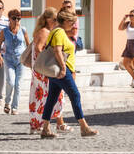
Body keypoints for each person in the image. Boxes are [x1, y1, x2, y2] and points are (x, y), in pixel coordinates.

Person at [38, 8, 98, 138]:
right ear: (65, 21)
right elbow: (57, 51)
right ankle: (84, 127)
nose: (73, 25)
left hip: (56, 72)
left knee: (52, 99)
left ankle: (45, 128)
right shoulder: (59, 32)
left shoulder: (57, 31)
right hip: (62, 71)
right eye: (71, 22)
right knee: (75, 95)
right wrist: (64, 68)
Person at [28, 8, 67, 134]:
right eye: (55, 19)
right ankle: (47, 125)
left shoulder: (46, 31)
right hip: (43, 71)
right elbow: (39, 49)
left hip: (41, 70)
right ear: (47, 20)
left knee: (44, 97)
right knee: (53, 96)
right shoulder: (45, 32)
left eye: (58, 20)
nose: (57, 22)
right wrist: (46, 63)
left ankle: (41, 125)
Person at [0, 8, 27, 115]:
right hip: (9, 60)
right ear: (9, 19)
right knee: (11, 82)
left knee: (18, 85)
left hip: (21, 60)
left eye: (19, 18)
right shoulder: (4, 31)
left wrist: (29, 58)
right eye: (14, 18)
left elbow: (28, 45)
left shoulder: (23, 30)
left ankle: (14, 107)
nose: (16, 21)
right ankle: (7, 103)